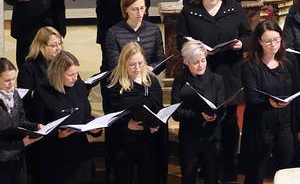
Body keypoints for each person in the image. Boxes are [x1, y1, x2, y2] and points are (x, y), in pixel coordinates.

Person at [176, 0, 252, 183]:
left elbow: (248, 35)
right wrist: (197, 50)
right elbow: (180, 40)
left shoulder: (234, 8)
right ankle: (205, 172)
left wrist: (240, 44)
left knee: (228, 127)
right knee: (203, 125)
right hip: (201, 76)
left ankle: (228, 172)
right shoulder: (190, 11)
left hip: (229, 75)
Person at [241, 19, 300, 184]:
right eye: (268, 41)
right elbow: (252, 98)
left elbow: (297, 92)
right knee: (256, 171)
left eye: (276, 39)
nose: (273, 44)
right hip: (260, 126)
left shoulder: (290, 61)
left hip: (286, 125)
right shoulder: (249, 65)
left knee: (287, 168)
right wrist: (269, 103)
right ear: (259, 41)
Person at [102, 42, 167, 184]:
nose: (137, 68)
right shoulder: (114, 85)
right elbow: (110, 114)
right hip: (125, 143)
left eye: (140, 63)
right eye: (132, 64)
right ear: (123, 64)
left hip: (148, 141)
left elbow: (158, 108)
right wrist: (127, 125)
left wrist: (157, 123)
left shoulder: (151, 81)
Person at [35, 51, 102, 184]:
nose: (76, 78)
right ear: (58, 74)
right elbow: (37, 126)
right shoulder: (42, 92)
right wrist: (57, 134)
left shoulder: (79, 87)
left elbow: (85, 115)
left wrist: (94, 128)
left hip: (79, 152)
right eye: (71, 75)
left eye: (77, 73)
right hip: (55, 156)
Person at [171, 40, 225, 184]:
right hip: (190, 139)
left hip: (211, 138)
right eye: (195, 62)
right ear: (186, 62)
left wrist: (215, 115)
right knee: (188, 178)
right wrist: (198, 115)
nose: (201, 65)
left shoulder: (217, 80)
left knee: (212, 178)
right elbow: (176, 113)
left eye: (203, 60)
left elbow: (222, 108)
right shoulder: (180, 81)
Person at [0, 58, 42, 184]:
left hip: (18, 158)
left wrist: (37, 126)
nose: (12, 84)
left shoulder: (15, 95)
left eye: (14, 79)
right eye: (7, 80)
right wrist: (21, 143)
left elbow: (21, 121)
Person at [105, 0, 165, 71]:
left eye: (142, 8)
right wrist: (136, 69)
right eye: (134, 9)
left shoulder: (154, 30)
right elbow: (114, 64)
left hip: (148, 78)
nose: (140, 13)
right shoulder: (113, 33)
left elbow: (160, 59)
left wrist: (151, 67)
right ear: (126, 9)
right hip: (124, 80)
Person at [18, 26, 63, 122]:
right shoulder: (29, 67)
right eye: (53, 45)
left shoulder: (64, 62)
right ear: (41, 46)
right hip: (42, 115)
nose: (58, 48)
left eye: (60, 44)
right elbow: (26, 98)